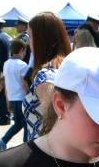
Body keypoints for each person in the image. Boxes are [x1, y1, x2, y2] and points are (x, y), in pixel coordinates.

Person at [22, 11, 71, 141]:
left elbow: (57, 119)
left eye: (30, 36)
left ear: (43, 40)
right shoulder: (67, 67)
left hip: (46, 153)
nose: (27, 42)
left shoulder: (45, 75)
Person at [0, 38, 30, 149]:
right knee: (26, 124)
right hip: (22, 97)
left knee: (17, 123)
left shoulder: (6, 64)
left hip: (12, 97)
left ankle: (3, 140)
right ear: (22, 49)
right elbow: (23, 83)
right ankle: (26, 146)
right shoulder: (23, 65)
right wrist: (28, 97)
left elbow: (6, 83)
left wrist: (7, 100)